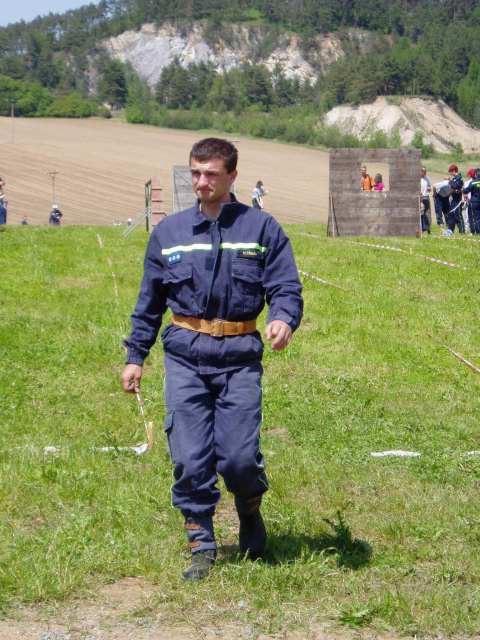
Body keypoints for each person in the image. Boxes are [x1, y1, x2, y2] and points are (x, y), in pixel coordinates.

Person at [121, 137, 303, 581]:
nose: (201, 182)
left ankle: (249, 510)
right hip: (185, 356)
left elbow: (285, 286)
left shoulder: (261, 229)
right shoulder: (169, 234)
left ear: (232, 175)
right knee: (189, 457)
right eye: (195, 173)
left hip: (239, 357)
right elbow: (149, 302)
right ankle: (201, 542)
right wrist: (135, 355)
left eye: (211, 174)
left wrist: (283, 318)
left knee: (239, 458)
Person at [447, 163, 465, 234]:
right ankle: (450, 230)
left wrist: (449, 181)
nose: (450, 173)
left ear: (454, 170)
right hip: (453, 200)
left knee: (458, 215)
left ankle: (462, 231)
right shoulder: (454, 178)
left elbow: (455, 186)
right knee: (451, 214)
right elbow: (452, 186)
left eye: (451, 171)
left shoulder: (459, 178)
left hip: (458, 200)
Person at [463, 167, 480, 234]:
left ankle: (474, 231)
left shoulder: (473, 182)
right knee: (478, 217)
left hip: (474, 202)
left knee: (472, 217)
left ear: (475, 174)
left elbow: (466, 190)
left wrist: (463, 190)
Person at [463, 168, 476, 233]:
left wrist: (466, 200)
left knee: (468, 217)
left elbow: (465, 193)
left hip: (469, 201)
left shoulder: (467, 182)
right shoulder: (477, 181)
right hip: (476, 201)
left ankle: (468, 229)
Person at [420, 166, 432, 234]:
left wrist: (429, 189)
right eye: (423, 172)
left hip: (426, 197)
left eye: (425, 172)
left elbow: (429, 188)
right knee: (421, 213)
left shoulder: (427, 178)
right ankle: (422, 228)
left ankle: (428, 228)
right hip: (419, 198)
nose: (425, 173)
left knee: (427, 213)